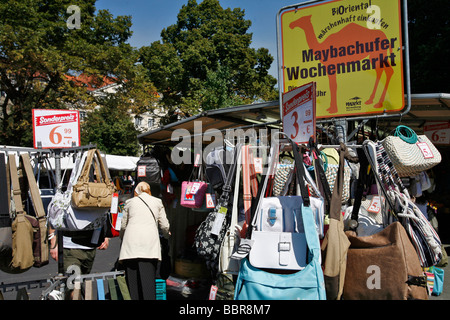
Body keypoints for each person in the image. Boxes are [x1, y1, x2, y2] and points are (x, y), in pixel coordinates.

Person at [119, 181, 171, 300]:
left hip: (130, 247)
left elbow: (123, 226)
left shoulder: (129, 202)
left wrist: (122, 238)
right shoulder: (157, 202)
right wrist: (166, 235)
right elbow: (164, 225)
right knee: (148, 287)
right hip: (149, 247)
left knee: (133, 287)